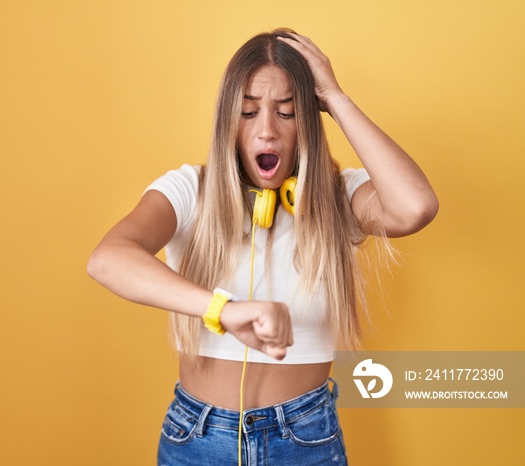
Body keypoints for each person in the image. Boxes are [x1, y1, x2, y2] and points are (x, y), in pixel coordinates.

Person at [87, 28, 438, 466]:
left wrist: (336, 99)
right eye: (249, 112)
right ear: (227, 122)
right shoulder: (188, 190)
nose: (267, 131)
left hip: (306, 437)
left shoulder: (336, 199)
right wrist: (224, 310)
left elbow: (416, 207)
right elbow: (107, 260)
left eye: (288, 112)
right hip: (197, 437)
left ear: (308, 120)